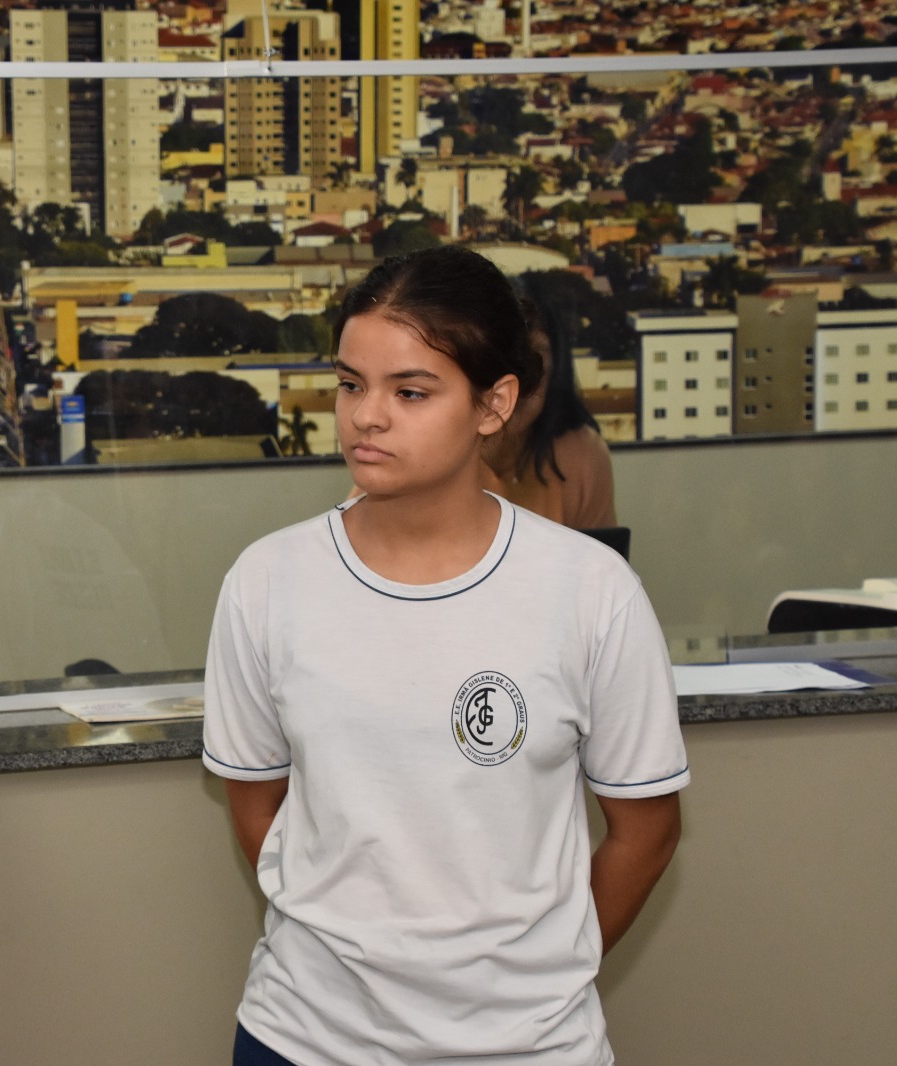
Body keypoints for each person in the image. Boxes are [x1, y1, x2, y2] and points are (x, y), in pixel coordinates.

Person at [202, 246, 687, 1066]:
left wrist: (533, 978)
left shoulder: (589, 590)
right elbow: (257, 808)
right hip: (306, 1039)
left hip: (529, 1047)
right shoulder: (268, 580)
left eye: (410, 391)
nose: (366, 416)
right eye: (351, 384)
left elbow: (647, 829)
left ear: (494, 403)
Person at [480, 293, 617, 529]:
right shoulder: (435, 453)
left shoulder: (580, 453)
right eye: (499, 359)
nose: (517, 385)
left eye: (534, 361)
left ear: (555, 368)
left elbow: (600, 551)